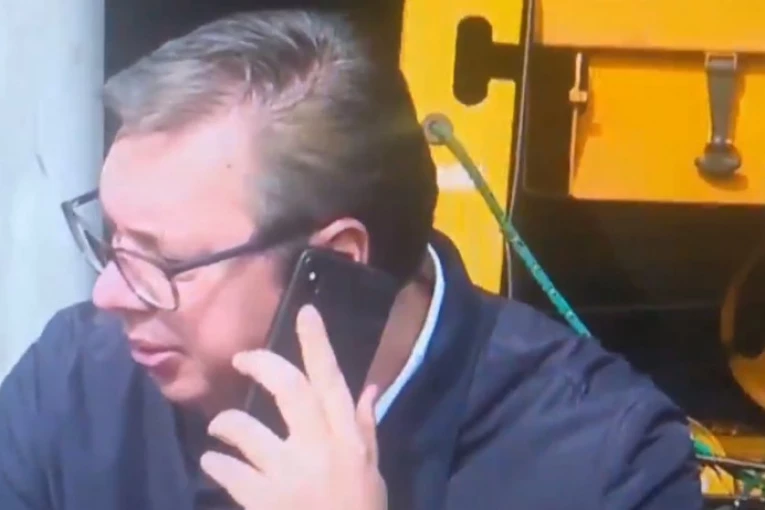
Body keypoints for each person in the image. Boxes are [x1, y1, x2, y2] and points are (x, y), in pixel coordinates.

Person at [0, 9, 702, 510]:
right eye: (111, 240)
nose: (107, 296)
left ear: (334, 266)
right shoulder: (74, 385)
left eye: (161, 264)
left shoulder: (607, 463)